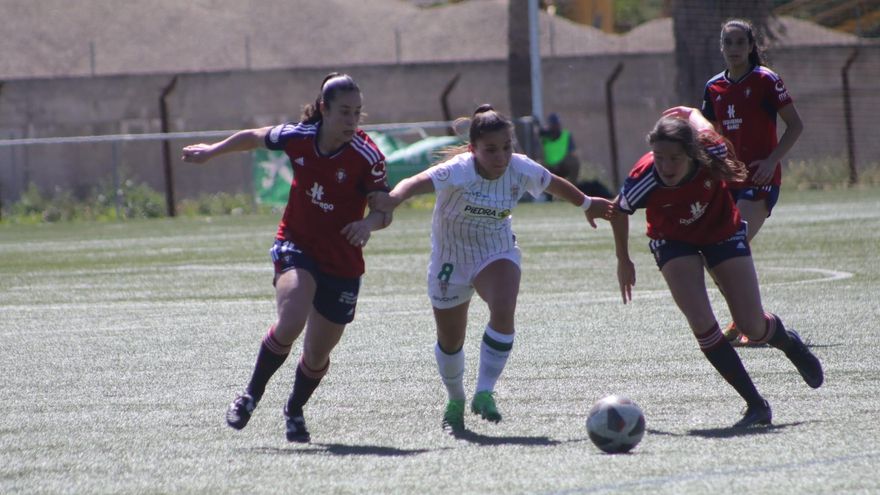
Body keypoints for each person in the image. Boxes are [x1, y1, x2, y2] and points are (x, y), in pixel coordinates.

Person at [370, 104, 614, 434]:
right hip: (450, 260)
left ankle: (484, 391)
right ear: (473, 150)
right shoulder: (459, 170)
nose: (500, 157)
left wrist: (586, 203)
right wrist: (394, 199)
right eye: (490, 150)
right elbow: (415, 182)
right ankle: (455, 399)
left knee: (503, 305)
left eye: (505, 148)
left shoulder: (519, 168)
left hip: (495, 252)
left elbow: (553, 182)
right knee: (450, 340)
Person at [181, 73, 391, 443]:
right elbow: (253, 137)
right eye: (344, 112)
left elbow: (383, 210)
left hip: (342, 263)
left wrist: (368, 225)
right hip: (298, 245)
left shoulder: (367, 156)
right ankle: (249, 396)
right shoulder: (299, 137)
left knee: (316, 355)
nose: (351, 121)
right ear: (324, 109)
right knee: (292, 318)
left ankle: (294, 409)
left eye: (357, 113)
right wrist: (212, 151)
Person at [609, 106, 822, 428]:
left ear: (692, 153)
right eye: (659, 157)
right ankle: (756, 405)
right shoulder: (645, 177)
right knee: (703, 324)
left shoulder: (712, 148)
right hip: (672, 240)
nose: (665, 166)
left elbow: (695, 115)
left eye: (674, 158)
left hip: (721, 230)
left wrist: (689, 112)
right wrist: (623, 259)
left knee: (751, 326)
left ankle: (789, 343)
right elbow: (619, 210)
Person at [701, 18, 804, 346]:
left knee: (733, 241)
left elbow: (795, 126)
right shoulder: (713, 87)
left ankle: (756, 324)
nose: (733, 49)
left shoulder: (766, 80)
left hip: (759, 180)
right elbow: (712, 137)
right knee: (710, 254)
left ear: (750, 47)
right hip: (727, 183)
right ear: (721, 46)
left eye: (739, 43)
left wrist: (772, 160)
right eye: (727, 43)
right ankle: (744, 318)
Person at [538, 113, 581, 186]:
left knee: (574, 161)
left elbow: (571, 153)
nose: (556, 127)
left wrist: (559, 163)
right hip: (548, 167)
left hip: (562, 165)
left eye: (557, 125)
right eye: (553, 125)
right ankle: (543, 191)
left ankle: (573, 186)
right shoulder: (544, 137)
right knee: (538, 164)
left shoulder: (566, 135)